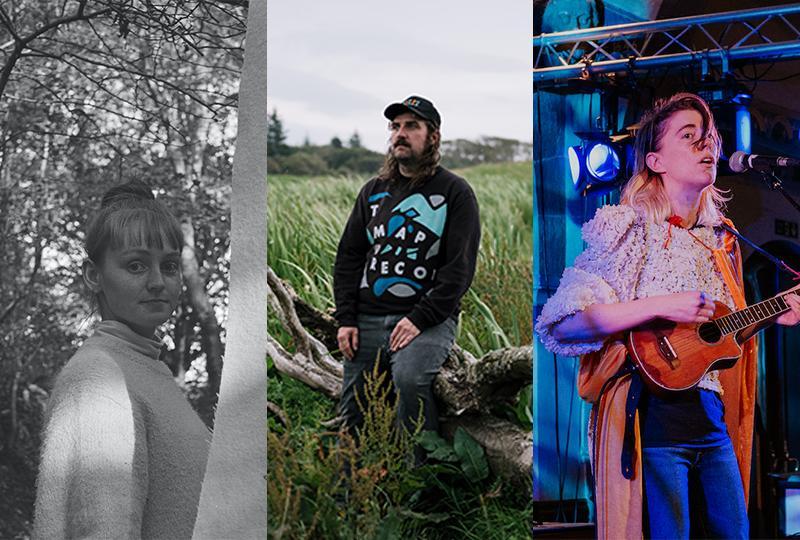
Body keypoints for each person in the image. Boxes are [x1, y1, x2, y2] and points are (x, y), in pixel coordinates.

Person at [534, 93, 800, 539]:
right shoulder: (627, 229)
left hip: (711, 419)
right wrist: (658, 305)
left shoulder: (721, 242)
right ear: (655, 161)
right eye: (688, 136)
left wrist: (772, 315)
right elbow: (562, 324)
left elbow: (715, 337)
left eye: (708, 137)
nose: (705, 145)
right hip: (653, 421)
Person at [33, 181, 211, 539]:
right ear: (94, 275)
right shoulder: (98, 379)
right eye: (136, 265)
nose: (158, 281)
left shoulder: (146, 368)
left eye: (170, 266)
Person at [333, 95, 481, 451]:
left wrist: (418, 318)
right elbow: (349, 257)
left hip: (427, 320)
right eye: (395, 126)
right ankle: (350, 477)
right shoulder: (373, 192)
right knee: (352, 403)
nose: (400, 133)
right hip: (367, 317)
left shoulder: (455, 192)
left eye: (412, 126)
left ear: (433, 136)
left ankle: (419, 471)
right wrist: (346, 318)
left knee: (411, 379)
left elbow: (459, 270)